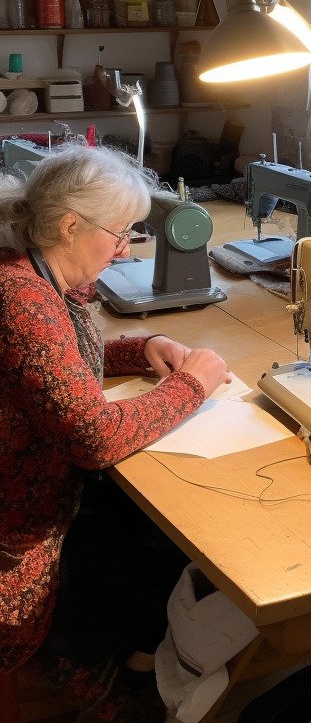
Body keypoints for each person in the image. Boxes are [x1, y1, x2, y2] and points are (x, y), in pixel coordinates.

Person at [0, 146, 228, 702]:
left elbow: (58, 363)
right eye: (119, 233)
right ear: (69, 226)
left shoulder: (30, 272)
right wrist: (190, 387)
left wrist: (144, 346)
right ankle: (120, 679)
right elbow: (94, 438)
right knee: (167, 544)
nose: (126, 249)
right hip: (20, 523)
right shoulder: (21, 299)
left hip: (36, 489)